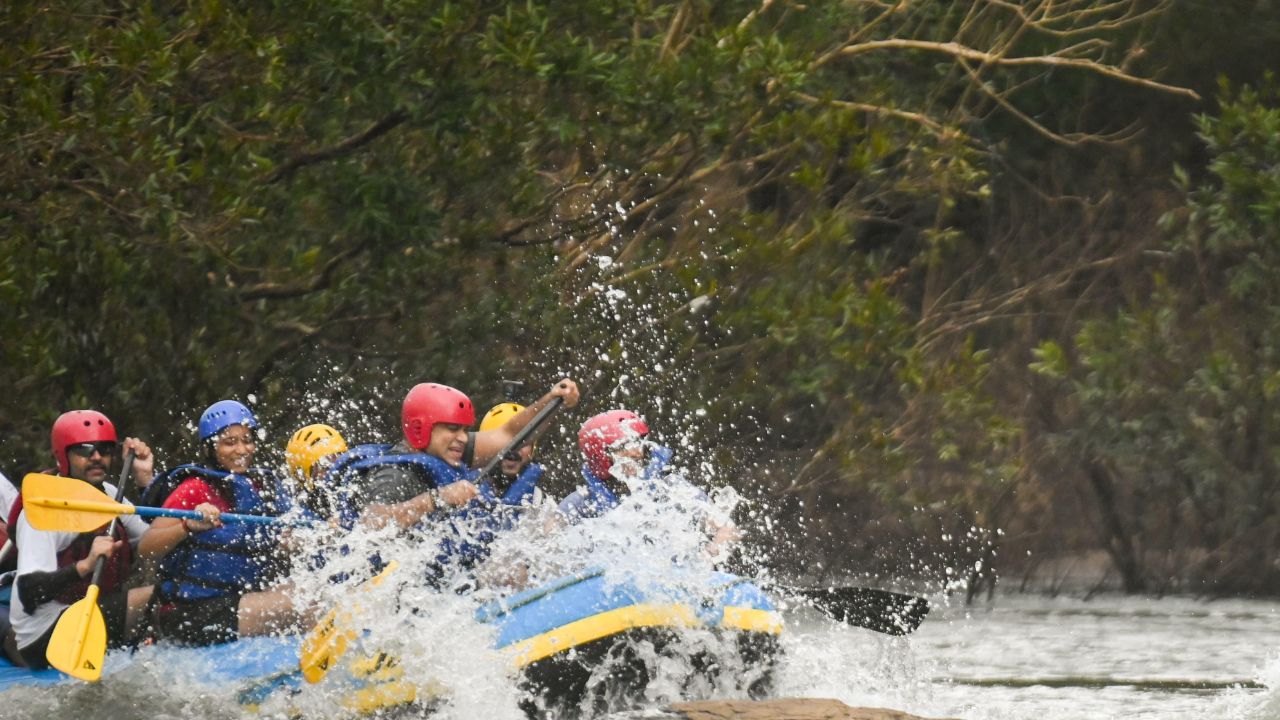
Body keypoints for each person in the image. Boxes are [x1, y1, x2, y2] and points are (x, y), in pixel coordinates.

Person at [138, 400, 317, 647]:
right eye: (230, 442)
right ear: (210, 449)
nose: (242, 449)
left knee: (317, 589)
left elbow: (302, 525)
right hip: (190, 614)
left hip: (237, 601)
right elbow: (146, 548)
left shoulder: (262, 488)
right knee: (304, 602)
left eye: (247, 439)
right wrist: (187, 526)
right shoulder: (194, 489)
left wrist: (323, 531)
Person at [9, 410, 156, 669]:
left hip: (90, 614)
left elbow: (155, 542)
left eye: (104, 449)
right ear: (62, 455)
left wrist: (146, 481)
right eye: (85, 449)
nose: (97, 457)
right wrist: (84, 566)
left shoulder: (109, 493)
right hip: (47, 633)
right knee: (158, 596)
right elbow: (29, 590)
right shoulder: (45, 510)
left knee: (174, 592)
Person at [349, 379, 579, 532]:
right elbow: (370, 524)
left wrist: (552, 401)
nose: (462, 437)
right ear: (421, 428)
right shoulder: (393, 476)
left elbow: (510, 435)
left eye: (464, 430)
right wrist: (438, 498)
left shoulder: (446, 450)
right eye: (452, 429)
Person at [560, 410, 740, 558]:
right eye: (622, 447)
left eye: (636, 443)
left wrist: (708, 555)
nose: (634, 452)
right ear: (599, 456)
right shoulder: (581, 502)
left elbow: (727, 528)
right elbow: (549, 541)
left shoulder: (671, 488)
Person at [476, 403, 548, 509]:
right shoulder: (463, 493)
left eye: (523, 442)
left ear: (532, 450)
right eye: (505, 441)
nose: (513, 449)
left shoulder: (542, 505)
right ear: (485, 447)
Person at [284, 424, 349, 521]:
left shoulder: (352, 490)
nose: (335, 470)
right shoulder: (297, 513)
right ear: (302, 475)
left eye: (340, 461)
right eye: (325, 466)